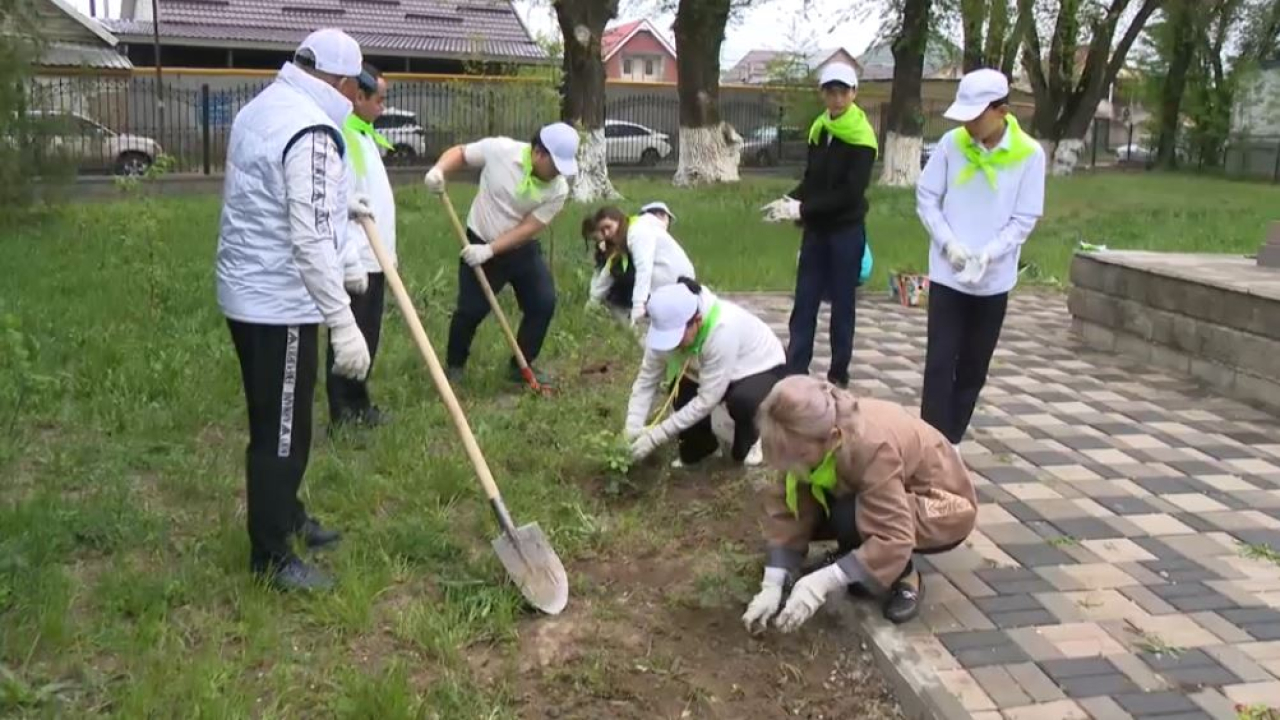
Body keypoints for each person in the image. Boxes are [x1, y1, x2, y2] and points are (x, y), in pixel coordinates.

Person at [216, 29, 372, 592]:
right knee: (282, 431)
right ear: (342, 82)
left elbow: (279, 195)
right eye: (355, 86)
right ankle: (272, 556)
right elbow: (307, 239)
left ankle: (287, 513)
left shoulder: (265, 107)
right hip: (277, 301)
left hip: (249, 286)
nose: (355, 95)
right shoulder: (310, 129)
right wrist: (344, 322)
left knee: (284, 419)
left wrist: (340, 210)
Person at [741, 376, 977, 632]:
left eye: (799, 455)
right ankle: (857, 557)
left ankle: (905, 573)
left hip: (942, 506)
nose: (791, 463)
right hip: (882, 496)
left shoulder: (872, 447)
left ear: (833, 438)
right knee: (830, 507)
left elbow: (894, 535)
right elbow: (790, 507)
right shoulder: (803, 434)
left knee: (849, 514)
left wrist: (823, 582)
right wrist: (773, 581)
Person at [916, 69, 1046, 447]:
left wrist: (989, 254)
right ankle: (929, 444)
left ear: (1001, 111)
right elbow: (927, 197)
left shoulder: (1029, 155)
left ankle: (951, 440)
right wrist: (949, 245)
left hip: (994, 279)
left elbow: (1024, 218)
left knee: (973, 367)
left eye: (976, 116)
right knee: (940, 363)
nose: (968, 125)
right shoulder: (951, 144)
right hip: (948, 274)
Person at [424, 123, 579, 384]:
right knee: (471, 310)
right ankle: (454, 366)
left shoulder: (559, 188)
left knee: (543, 302)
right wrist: (438, 170)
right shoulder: (501, 150)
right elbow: (461, 153)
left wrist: (491, 250)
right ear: (539, 153)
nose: (558, 173)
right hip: (479, 240)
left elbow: (530, 227)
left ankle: (521, 366)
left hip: (520, 248)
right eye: (555, 166)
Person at [761, 62, 877, 389]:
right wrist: (789, 200)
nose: (837, 98)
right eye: (831, 92)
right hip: (816, 231)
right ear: (822, 93)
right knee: (805, 301)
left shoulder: (863, 138)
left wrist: (802, 208)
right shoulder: (820, 129)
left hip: (845, 231)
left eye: (843, 92)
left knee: (842, 305)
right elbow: (813, 180)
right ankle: (795, 370)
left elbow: (850, 193)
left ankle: (838, 374)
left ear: (854, 93)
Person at [625, 279, 786, 467]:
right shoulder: (662, 327)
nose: (672, 347)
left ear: (697, 321)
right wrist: (632, 429)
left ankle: (752, 439)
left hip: (758, 366)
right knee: (681, 396)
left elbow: (707, 400)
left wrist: (656, 436)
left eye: (676, 339)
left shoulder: (722, 329)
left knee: (742, 403)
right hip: (709, 367)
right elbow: (646, 381)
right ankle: (705, 447)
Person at [328, 63, 394, 429]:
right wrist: (349, 258)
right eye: (379, 100)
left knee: (369, 335)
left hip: (377, 257)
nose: (382, 108)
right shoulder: (343, 136)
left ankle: (359, 402)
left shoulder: (364, 135)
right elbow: (341, 201)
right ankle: (343, 411)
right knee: (351, 336)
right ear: (358, 97)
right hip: (358, 258)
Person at [586, 204, 695, 326]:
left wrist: (638, 306)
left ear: (619, 221)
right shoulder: (624, 236)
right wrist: (593, 300)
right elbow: (609, 269)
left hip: (675, 281)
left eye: (608, 227)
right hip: (665, 281)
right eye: (602, 230)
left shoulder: (637, 232)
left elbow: (644, 268)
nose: (606, 233)